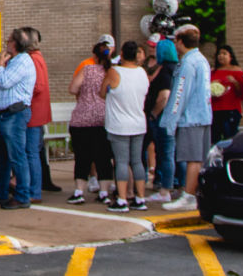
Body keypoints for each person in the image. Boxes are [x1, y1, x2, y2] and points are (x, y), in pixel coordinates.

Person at [161, 25, 213, 211]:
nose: (175, 45)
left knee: (192, 158)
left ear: (181, 41)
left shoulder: (188, 63)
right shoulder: (202, 60)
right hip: (204, 115)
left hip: (191, 117)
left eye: (176, 41)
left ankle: (189, 196)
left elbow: (180, 93)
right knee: (198, 158)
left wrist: (170, 120)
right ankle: (194, 194)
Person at [0, 28, 37, 209]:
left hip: (14, 114)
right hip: (5, 115)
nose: (6, 44)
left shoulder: (22, 62)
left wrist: (0, 65)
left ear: (15, 44)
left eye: (8, 41)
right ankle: (0, 192)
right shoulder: (15, 61)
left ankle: (22, 195)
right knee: (2, 156)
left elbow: (5, 81)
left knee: (17, 156)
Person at [102, 40, 151, 211]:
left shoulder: (114, 72)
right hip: (138, 122)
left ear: (121, 54)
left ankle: (122, 199)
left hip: (119, 124)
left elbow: (102, 92)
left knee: (121, 162)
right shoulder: (142, 73)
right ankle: (140, 197)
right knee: (137, 161)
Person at [66, 39, 115, 205]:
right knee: (103, 157)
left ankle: (79, 191)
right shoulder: (111, 72)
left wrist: (84, 95)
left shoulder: (87, 70)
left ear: (94, 55)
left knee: (82, 157)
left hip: (82, 118)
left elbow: (73, 88)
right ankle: (104, 192)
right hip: (103, 118)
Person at [147, 37, 181, 200]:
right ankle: (175, 185)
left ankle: (166, 189)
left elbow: (165, 95)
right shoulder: (175, 68)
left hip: (164, 117)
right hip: (173, 117)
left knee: (166, 153)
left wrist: (154, 112)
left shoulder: (167, 70)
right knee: (171, 153)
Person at [27, 28, 60, 194]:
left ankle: (34, 190)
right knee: (35, 152)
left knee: (32, 152)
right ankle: (38, 185)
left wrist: (21, 93)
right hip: (37, 113)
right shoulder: (36, 58)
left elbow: (38, 86)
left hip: (34, 113)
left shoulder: (33, 59)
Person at [209, 44, 243, 145]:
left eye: (224, 54)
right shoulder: (213, 71)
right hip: (214, 109)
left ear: (231, 57)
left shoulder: (237, 71)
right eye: (219, 54)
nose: (221, 56)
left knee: (229, 138)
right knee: (214, 138)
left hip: (230, 109)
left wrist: (235, 82)